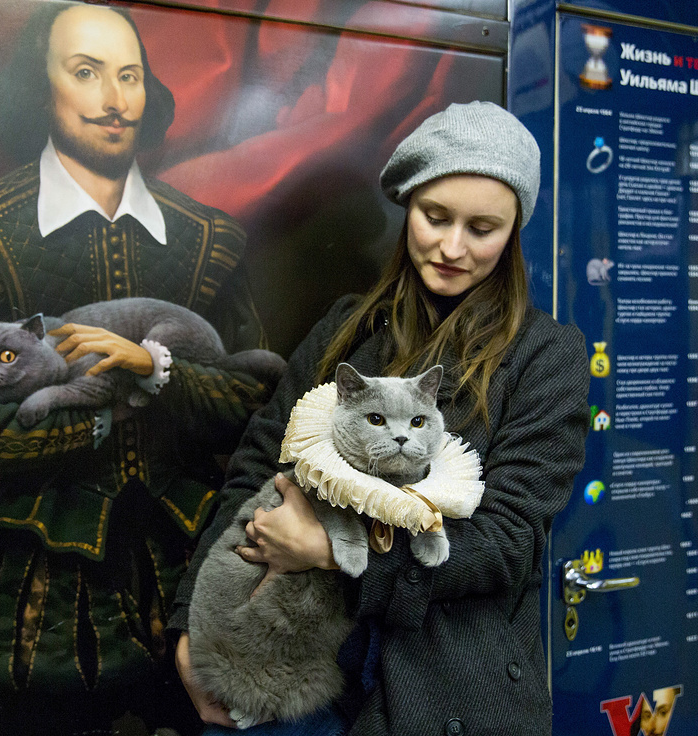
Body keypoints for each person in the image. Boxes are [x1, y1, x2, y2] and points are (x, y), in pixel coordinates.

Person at [0, 4, 275, 734]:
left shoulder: (211, 240)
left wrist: (154, 370)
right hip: (40, 585)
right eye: (86, 72)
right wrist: (94, 423)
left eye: (130, 76)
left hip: (196, 563)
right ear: (39, 90)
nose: (114, 98)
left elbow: (257, 398)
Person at [169, 101, 590, 735]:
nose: (452, 247)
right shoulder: (347, 327)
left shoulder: (543, 355)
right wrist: (190, 629)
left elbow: (505, 544)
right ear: (408, 208)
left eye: (482, 228)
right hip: (287, 660)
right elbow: (255, 463)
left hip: (445, 685)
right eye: (435, 216)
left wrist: (335, 553)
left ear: (513, 233)